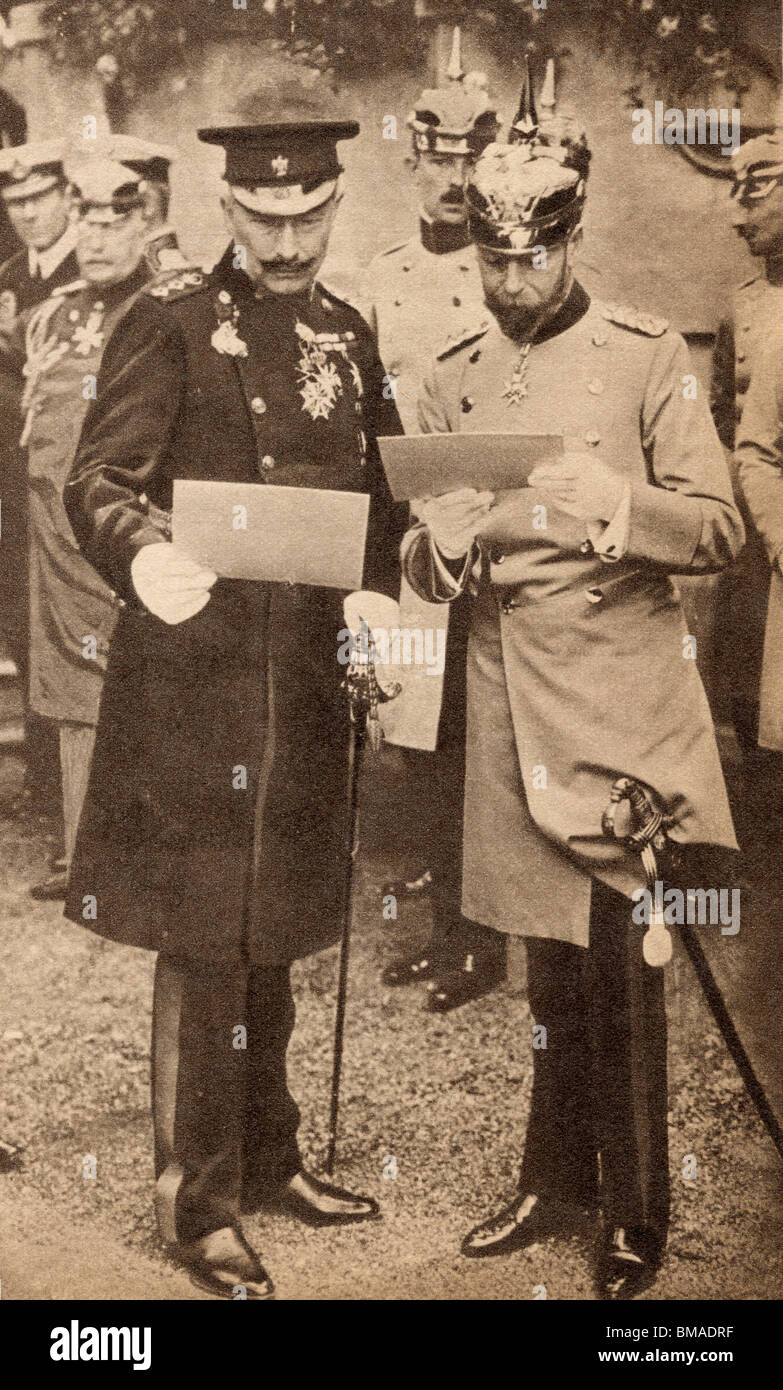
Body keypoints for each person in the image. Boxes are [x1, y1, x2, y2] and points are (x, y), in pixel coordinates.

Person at [62, 84, 405, 1300]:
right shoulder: (170, 319)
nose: (289, 240)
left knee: (278, 931)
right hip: (196, 686)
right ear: (228, 205)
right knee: (209, 939)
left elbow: (384, 495)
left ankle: (271, 1156)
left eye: (310, 213)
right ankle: (197, 1203)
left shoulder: (350, 334)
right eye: (266, 217)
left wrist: (381, 590)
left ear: (333, 204)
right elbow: (97, 477)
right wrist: (145, 548)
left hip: (303, 686)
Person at [402, 120, 742, 1297]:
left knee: (621, 963)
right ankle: (555, 1178)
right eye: (493, 263)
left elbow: (719, 527)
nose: (511, 282)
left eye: (532, 259)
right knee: (544, 963)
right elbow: (419, 550)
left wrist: (618, 505)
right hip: (506, 700)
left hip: (617, 699)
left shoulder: (649, 356)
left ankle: (637, 1211)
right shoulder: (449, 373)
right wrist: (435, 553)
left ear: (571, 237)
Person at [358, 27, 505, 1009]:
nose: (452, 179)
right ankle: (441, 926)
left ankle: (482, 941)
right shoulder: (381, 276)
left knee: (472, 738)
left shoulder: (509, 271)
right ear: (411, 162)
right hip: (411, 530)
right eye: (437, 158)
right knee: (415, 739)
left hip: (480, 523)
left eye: (469, 159)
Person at [21, 143, 185, 901]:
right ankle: (82, 851)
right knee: (65, 691)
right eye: (84, 220)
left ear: (149, 223)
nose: (93, 238)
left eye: (113, 222)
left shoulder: (168, 313)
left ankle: (145, 851)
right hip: (52, 537)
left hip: (126, 536)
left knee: (141, 683)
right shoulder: (51, 316)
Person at [0, 140, 79, 825]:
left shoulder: (94, 275)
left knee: (70, 633)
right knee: (23, 630)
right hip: (8, 488)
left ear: (66, 196)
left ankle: (80, 794)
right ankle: (48, 789)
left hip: (66, 485)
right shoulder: (6, 276)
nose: (28, 213)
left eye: (38, 198)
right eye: (15, 202)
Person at [710, 133, 783, 762]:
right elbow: (720, 425)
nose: (738, 216)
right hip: (756, 543)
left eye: (756, 191)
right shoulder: (742, 307)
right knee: (752, 701)